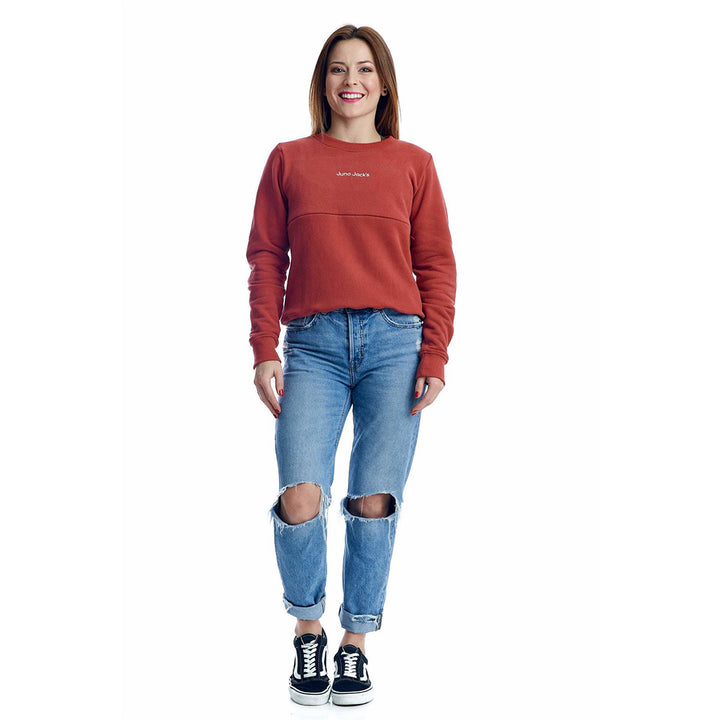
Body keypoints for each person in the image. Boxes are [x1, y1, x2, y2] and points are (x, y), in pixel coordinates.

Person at [246, 24, 457, 706]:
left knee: (374, 502)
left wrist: (435, 351)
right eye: (338, 69)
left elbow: (436, 264)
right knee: (300, 496)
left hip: (397, 343)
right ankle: (308, 629)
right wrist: (264, 348)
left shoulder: (414, 164)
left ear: (384, 84)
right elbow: (266, 258)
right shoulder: (289, 160)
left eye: (364, 69)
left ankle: (355, 644)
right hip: (312, 344)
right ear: (323, 82)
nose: (351, 81)